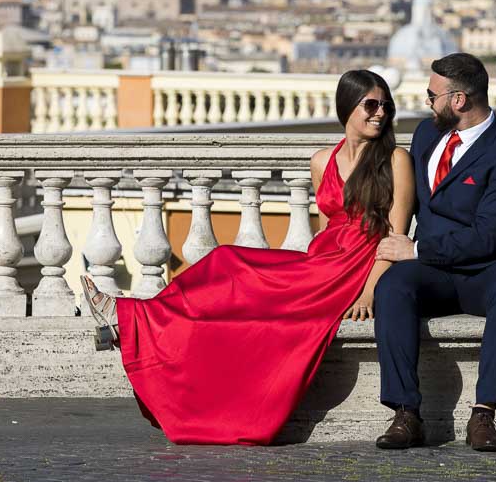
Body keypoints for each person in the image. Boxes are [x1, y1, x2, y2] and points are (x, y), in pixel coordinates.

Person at [80, 69, 415, 445]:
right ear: (347, 107)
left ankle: (128, 316)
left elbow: (395, 235)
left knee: (235, 269)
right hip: (321, 260)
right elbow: (326, 227)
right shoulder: (323, 161)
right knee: (225, 263)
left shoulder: (396, 160)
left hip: (352, 268)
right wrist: (306, 265)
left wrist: (370, 291)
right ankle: (137, 317)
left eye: (386, 105)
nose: (380, 113)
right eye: (371, 104)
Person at [373, 52, 496, 452]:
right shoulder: (427, 136)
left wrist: (417, 249)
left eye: (433, 96)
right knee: (392, 287)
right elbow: (407, 201)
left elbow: (488, 237)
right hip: (431, 269)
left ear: (459, 100)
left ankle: (483, 413)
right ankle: (405, 413)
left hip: (486, 268)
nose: (427, 102)